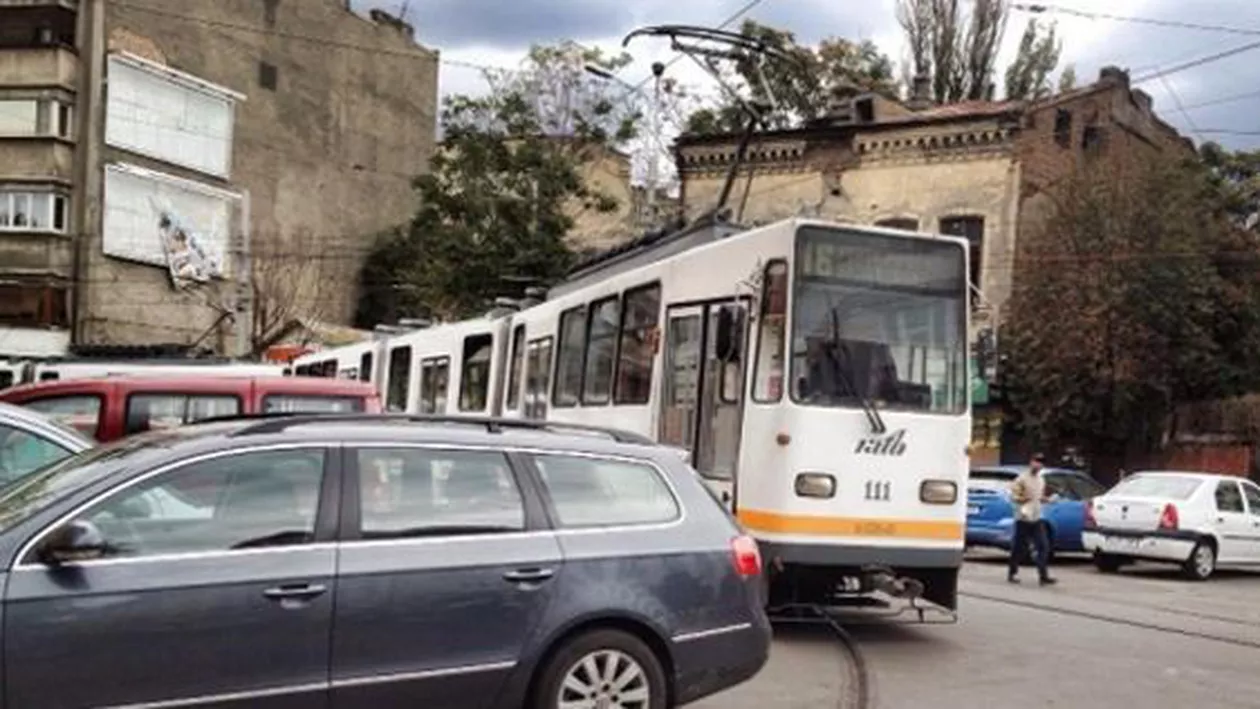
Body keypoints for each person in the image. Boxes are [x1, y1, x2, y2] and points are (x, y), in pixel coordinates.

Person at [1008, 453, 1057, 586]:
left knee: (1043, 546)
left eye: (1041, 462)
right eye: (1036, 461)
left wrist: (1047, 500)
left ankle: (1043, 576)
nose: (1038, 464)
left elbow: (1039, 497)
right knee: (1019, 548)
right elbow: (1013, 496)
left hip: (1037, 517)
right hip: (1023, 517)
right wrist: (1022, 499)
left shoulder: (1041, 480)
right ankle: (1012, 572)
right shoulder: (1022, 479)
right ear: (1031, 462)